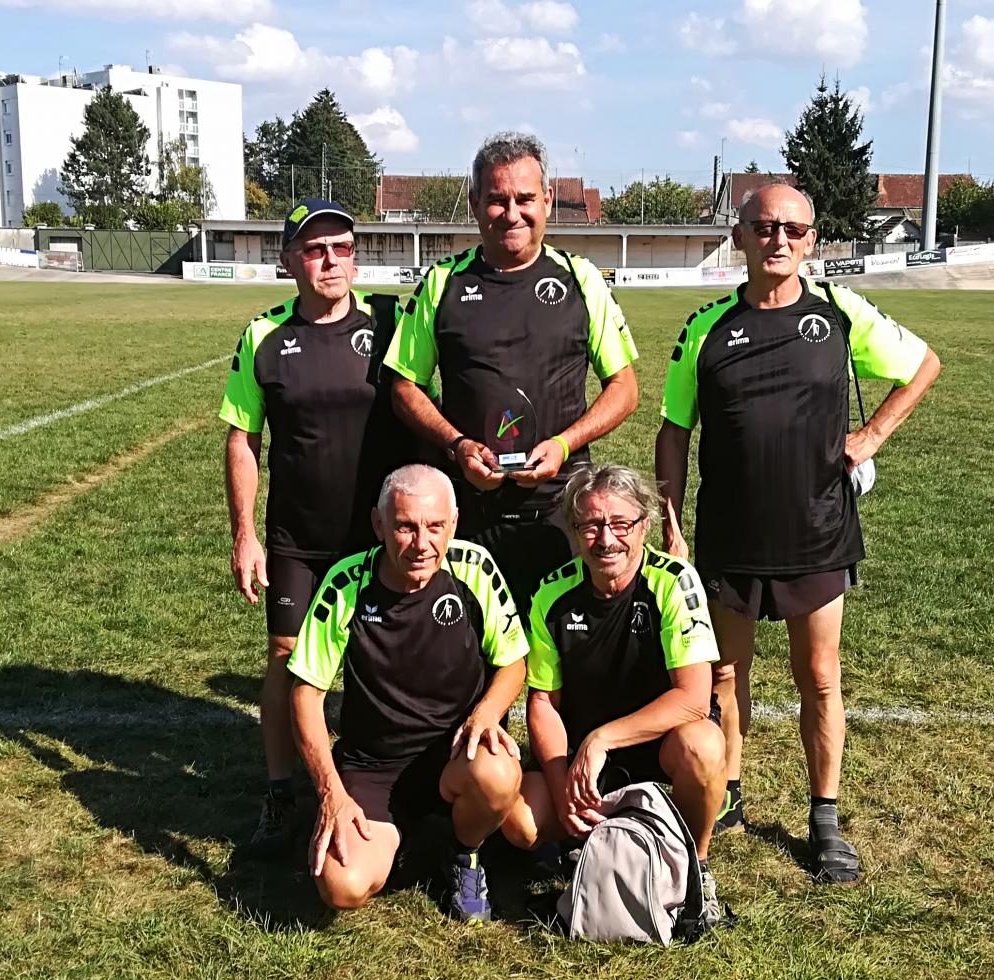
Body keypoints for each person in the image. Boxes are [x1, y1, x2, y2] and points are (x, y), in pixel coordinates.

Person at [654, 184, 943, 883]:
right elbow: (673, 431)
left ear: (810, 239)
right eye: (763, 226)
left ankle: (824, 818)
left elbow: (924, 364)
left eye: (792, 228)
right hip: (729, 533)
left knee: (819, 678)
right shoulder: (706, 328)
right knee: (726, 675)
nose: (777, 238)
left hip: (818, 531)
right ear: (741, 236)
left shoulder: (839, 313)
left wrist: (873, 433)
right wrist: (670, 521)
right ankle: (727, 795)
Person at [221, 199, 420, 856]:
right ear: (289, 261)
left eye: (341, 246)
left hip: (381, 537)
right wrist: (245, 533)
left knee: (379, 660)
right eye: (314, 248)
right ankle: (282, 792)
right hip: (298, 540)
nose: (330, 259)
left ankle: (385, 781)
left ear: (355, 255)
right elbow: (242, 438)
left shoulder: (392, 321)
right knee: (285, 659)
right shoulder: (264, 336)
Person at [384, 131, 640, 610]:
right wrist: (457, 446)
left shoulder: (580, 278)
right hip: (468, 510)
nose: (512, 212)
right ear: (475, 202)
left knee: (563, 664)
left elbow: (624, 388)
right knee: (470, 661)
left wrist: (564, 445)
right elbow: (404, 386)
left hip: (562, 508)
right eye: (497, 200)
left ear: (546, 201)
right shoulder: (444, 282)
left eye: (525, 198)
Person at [287, 464, 530, 922]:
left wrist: (486, 715)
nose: (422, 544)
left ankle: (464, 853)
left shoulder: (474, 568)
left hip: (455, 754)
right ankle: (412, 840)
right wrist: (330, 792)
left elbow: (514, 661)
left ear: (453, 524)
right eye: (405, 527)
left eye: (435, 527)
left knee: (499, 776)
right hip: (374, 764)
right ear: (379, 525)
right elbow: (305, 695)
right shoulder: (346, 583)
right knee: (343, 886)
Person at [499, 465, 728, 925]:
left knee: (703, 745)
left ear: (644, 526)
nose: (606, 539)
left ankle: (697, 870)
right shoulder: (551, 593)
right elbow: (542, 702)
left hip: (656, 748)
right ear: (574, 528)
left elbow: (694, 698)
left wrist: (602, 739)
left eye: (621, 524)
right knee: (521, 823)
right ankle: (577, 842)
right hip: (585, 763)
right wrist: (562, 779)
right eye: (591, 525)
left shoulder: (674, 581)